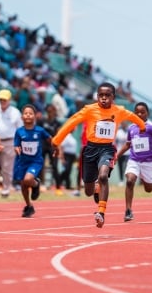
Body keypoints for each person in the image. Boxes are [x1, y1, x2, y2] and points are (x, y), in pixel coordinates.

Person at [51, 82, 146, 228]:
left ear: (113, 97)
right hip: (90, 149)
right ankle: (95, 188)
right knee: (88, 191)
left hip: (107, 149)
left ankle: (101, 212)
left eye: (107, 95)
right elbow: (71, 122)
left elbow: (133, 117)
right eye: (101, 95)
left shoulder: (119, 111)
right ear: (97, 96)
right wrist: (56, 140)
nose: (103, 98)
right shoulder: (89, 110)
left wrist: (142, 127)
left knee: (103, 176)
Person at [116, 102, 152, 221]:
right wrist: (116, 156)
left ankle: (146, 175)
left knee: (149, 189)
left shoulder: (151, 126)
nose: (140, 114)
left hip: (148, 162)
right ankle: (128, 210)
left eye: (143, 112)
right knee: (130, 181)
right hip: (134, 160)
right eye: (137, 112)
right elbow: (127, 145)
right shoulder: (131, 128)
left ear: (147, 113)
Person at [13, 104, 52, 217]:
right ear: (22, 117)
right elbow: (16, 144)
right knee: (23, 185)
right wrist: (17, 149)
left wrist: (56, 147)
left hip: (35, 161)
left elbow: (50, 139)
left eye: (30, 113)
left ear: (35, 116)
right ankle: (29, 206)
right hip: (23, 161)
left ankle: (36, 184)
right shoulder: (19, 132)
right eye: (26, 113)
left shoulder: (40, 131)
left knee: (28, 179)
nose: (28, 115)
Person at [0, 89, 23, 198]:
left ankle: (6, 190)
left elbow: (20, 129)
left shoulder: (15, 112)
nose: (2, 101)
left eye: (5, 99)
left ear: (9, 100)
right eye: (1, 99)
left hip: (9, 141)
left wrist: (19, 143)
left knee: (7, 168)